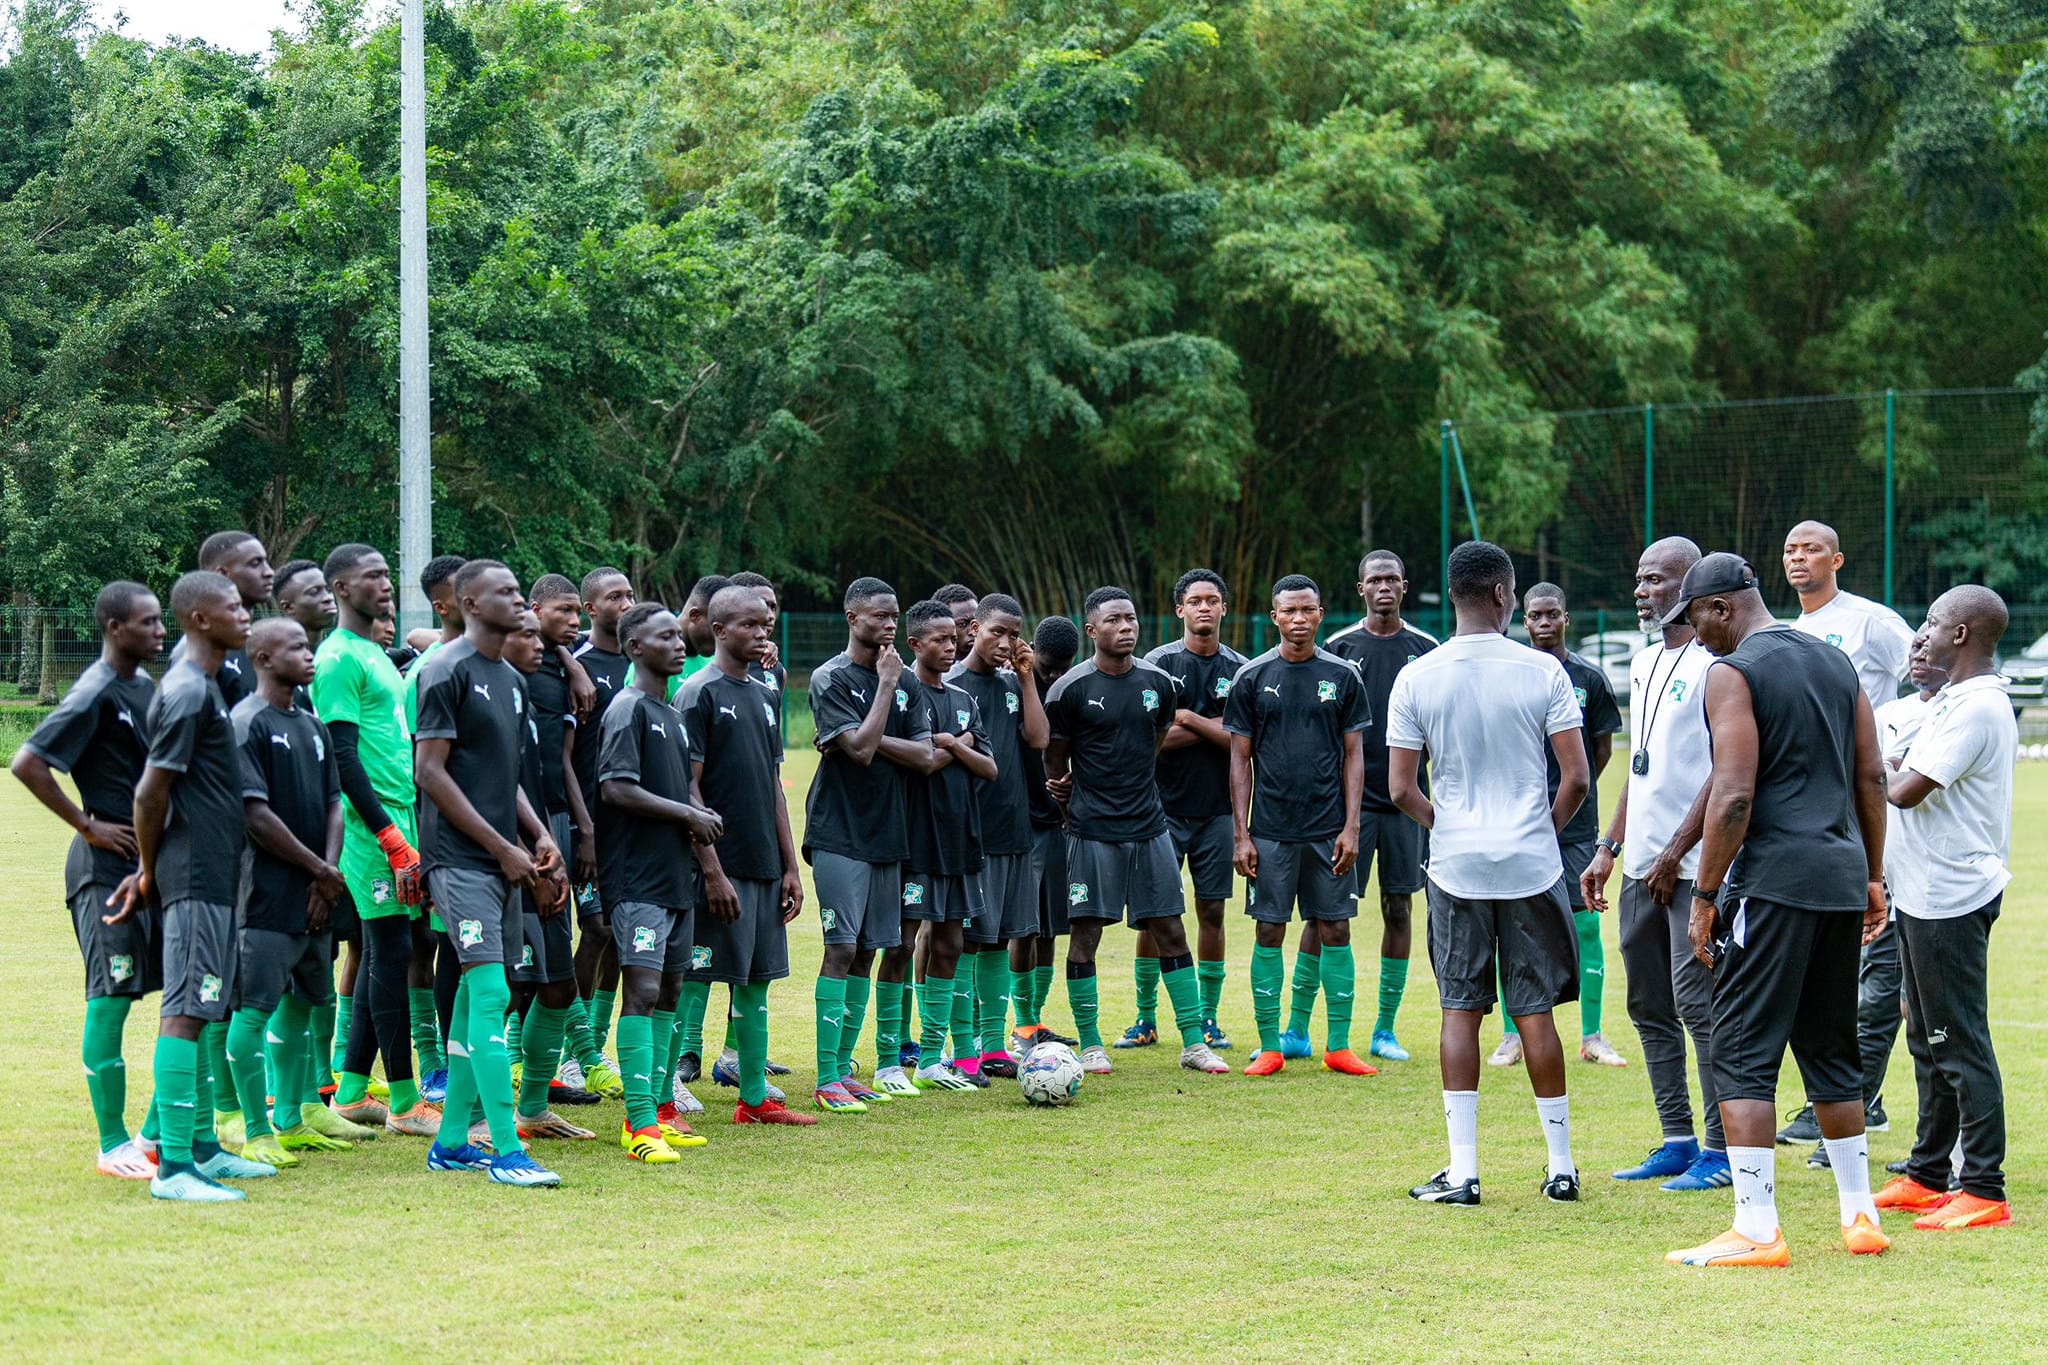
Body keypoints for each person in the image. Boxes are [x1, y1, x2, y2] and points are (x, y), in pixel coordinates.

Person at [1659, 552, 1890, 1267]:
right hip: (1841, 874)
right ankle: (1861, 1216)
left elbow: (1733, 793)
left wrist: (1702, 894)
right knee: (1830, 1044)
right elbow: (1872, 774)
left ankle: (1757, 1226)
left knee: (1740, 1047)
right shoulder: (1834, 663)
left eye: (1695, 619)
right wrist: (1874, 877)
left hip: (1774, 881)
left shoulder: (1733, 672)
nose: (1694, 637)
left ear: (1722, 607)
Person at [1386, 541, 1587, 1207]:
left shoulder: (1418, 675)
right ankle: (1561, 1168)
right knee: (1535, 1013)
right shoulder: (1543, 672)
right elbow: (1579, 778)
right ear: (1504, 594)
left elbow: (1401, 787)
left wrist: (1451, 827)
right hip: (1531, 864)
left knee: (1459, 1009)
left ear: (1452, 594)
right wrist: (1537, 833)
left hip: (1456, 864)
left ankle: (1464, 1171)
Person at [109, 570, 274, 1200]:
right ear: (200, 619)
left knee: (204, 1010)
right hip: (193, 874)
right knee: (184, 1010)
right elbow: (151, 793)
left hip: (215, 872)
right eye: (233, 606)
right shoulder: (184, 691)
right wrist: (150, 870)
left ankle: (202, 1146)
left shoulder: (205, 687)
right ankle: (173, 1167)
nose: (246, 614)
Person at [412, 559, 570, 1188]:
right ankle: (506, 1150)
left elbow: (505, 777)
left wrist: (535, 836)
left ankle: (452, 1144)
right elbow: (430, 773)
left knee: (480, 999)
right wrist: (501, 849)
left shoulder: (509, 677)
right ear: (469, 603)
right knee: (494, 994)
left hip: (503, 859)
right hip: (459, 860)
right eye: (504, 591)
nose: (516, 598)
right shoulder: (444, 670)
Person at [1581, 538, 1730, 1192]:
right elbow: (1640, 770)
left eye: (1653, 579)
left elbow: (1728, 771)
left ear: (1687, 585)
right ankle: (1677, 1137)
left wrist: (1676, 852)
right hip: (1641, 865)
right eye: (1637, 578)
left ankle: (1724, 1150)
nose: (1640, 590)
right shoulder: (1643, 661)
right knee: (1647, 1004)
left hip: (1693, 867)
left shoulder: (1716, 663)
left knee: (1700, 1004)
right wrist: (1610, 847)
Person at [1871, 586, 2016, 1231]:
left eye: (1933, 622)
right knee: (1924, 1037)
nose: (1921, 634)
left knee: (1958, 1039)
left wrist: (1866, 766)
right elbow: (1899, 768)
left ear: (1962, 635)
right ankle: (1929, 1174)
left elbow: (1903, 788)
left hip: (1951, 895)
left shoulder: (1978, 706)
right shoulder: (1948, 701)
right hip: (1919, 889)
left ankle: (1983, 1186)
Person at [11, 581, 165, 1179]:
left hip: (149, 868)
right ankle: (112, 1144)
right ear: (113, 628)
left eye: (161, 621)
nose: (159, 632)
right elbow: (28, 762)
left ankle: (155, 1136)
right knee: (112, 996)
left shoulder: (145, 688)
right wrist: (87, 825)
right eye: (148, 623)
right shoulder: (96, 690)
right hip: (103, 872)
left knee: (172, 998)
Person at [1044, 587, 1228, 1076]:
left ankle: (1193, 1042)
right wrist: (1070, 796)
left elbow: (1156, 740)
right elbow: (1055, 760)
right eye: (1113, 620)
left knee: (1170, 928)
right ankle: (1091, 1043)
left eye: (1130, 618)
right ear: (1091, 631)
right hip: (1091, 831)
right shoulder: (1069, 691)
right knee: (1085, 936)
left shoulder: (1160, 684)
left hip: (1150, 828)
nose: (1125, 627)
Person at [1777, 521, 1915, 1150]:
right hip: (1817, 813)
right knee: (1839, 959)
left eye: (1809, 549)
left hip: (1873, 805)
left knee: (1874, 955)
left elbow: (1925, 675)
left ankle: (1854, 1094)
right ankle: (1862, 1095)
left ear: (1837, 557)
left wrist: (1900, 749)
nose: (1798, 559)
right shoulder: (1787, 634)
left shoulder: (1871, 623)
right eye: (1789, 551)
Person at [1225, 575, 1375, 1077]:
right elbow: (1238, 761)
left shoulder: (1343, 675)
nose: (1298, 619)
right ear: (1274, 617)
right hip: (1269, 832)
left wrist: (1351, 826)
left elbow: (1355, 756)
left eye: (1306, 610)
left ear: (1320, 613)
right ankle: (1270, 1046)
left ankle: (1338, 1045)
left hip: (1328, 829)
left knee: (1335, 928)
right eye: (1288, 611)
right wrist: (1241, 834)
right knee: (1269, 930)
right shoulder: (1251, 677)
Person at [314, 544, 438, 1138]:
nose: (385, 586)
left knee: (388, 949)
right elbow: (340, 757)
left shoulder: (376, 655)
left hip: (403, 819)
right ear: (340, 588)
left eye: (387, 576)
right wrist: (388, 834)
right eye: (372, 578)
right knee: (389, 951)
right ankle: (407, 1102)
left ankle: (354, 1089)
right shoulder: (337, 658)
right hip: (372, 832)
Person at [678, 586, 814, 1126]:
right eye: (751, 626)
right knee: (692, 977)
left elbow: (773, 786)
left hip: (761, 865)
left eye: (766, 624)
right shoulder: (698, 693)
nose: (763, 634)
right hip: (718, 868)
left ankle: (753, 1099)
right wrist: (711, 871)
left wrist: (788, 866)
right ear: (719, 630)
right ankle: (665, 1096)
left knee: (756, 982)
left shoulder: (765, 692)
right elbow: (688, 792)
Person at [598, 602, 726, 1158]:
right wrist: (687, 816)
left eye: (679, 635)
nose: (678, 644)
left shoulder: (670, 713)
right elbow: (615, 788)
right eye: (665, 636)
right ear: (634, 648)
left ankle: (663, 1109)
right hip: (638, 879)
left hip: (676, 878)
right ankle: (638, 1122)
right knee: (643, 990)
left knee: (672, 988)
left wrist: (699, 838)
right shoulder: (627, 709)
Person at [223, 618, 347, 1169]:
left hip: (317, 894)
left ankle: (292, 1122)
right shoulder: (245, 722)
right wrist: (320, 869)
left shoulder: (313, 724)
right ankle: (253, 1130)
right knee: (253, 1013)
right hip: (266, 897)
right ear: (263, 658)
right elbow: (255, 815)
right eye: (296, 646)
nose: (309, 652)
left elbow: (334, 803)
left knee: (303, 1003)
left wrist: (328, 874)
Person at [804, 579, 934, 1100]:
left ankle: (842, 1069)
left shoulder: (909, 682)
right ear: (852, 618)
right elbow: (856, 753)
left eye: (895, 615)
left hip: (889, 832)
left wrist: (869, 734)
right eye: (879, 616)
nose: (889, 625)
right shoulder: (830, 677)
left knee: (868, 952)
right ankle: (823, 1078)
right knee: (839, 947)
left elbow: (924, 758)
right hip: (839, 832)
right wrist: (882, 689)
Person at [1492, 584, 1626, 1068]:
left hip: (1573, 829)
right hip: (1518, 822)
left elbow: (1602, 750)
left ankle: (1591, 1036)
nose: (1544, 623)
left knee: (1585, 927)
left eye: (1552, 615)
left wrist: (1572, 793)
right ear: (1523, 621)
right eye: (1535, 616)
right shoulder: (1512, 673)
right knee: (1515, 929)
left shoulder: (1588, 679)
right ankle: (1511, 1035)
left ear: (1566, 618)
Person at [1325, 550, 1437, 1062]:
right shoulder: (1338, 647)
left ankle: (1384, 1029)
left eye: (1393, 578)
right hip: (1348, 805)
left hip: (1407, 804)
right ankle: (1309, 1027)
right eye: (1375, 580)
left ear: (1405, 586)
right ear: (1361, 589)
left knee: (1399, 905)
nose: (1384, 587)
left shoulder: (1428, 649)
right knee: (1328, 911)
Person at [1134, 569, 1245, 1054]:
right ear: (1179, 609)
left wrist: (1190, 718)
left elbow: (1243, 742)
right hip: (1160, 812)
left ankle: (1209, 1018)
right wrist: (1215, 728)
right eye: (1195, 600)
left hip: (1218, 811)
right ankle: (1144, 1017)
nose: (1204, 608)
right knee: (1154, 917)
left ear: (1224, 608)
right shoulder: (1156, 666)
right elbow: (1149, 742)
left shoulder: (1241, 669)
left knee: (1213, 911)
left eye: (1212, 600)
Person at [501, 610, 599, 1141]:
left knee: (558, 985)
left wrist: (553, 845)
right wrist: (524, 856)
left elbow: (539, 775)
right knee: (505, 991)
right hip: (500, 861)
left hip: (544, 844)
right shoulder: (475, 684)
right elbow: (483, 785)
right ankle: (469, 1115)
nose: (541, 645)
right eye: (529, 637)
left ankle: (533, 1109)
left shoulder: (540, 684)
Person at [894, 599, 997, 1095]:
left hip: (962, 837)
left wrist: (954, 744)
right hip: (916, 838)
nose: (949, 645)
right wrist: (959, 748)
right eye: (938, 638)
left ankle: (934, 1058)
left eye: (952, 638)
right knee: (902, 941)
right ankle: (892, 1056)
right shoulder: (902, 693)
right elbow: (917, 761)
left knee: (952, 941)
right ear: (914, 644)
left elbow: (990, 768)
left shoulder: (963, 698)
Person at [948, 594, 1050, 1080]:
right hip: (970, 832)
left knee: (998, 941)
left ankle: (993, 1046)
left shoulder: (1014, 684)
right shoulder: (951, 684)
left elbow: (1037, 738)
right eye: (997, 633)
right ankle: (961, 1048)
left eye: (1014, 634)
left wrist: (1028, 678)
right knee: (966, 941)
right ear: (973, 630)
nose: (1006, 643)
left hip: (1015, 828)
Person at [527, 575, 620, 1100]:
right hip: (537, 826)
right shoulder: (530, 664)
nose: (573, 622)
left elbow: (559, 755)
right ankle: (565, 1057)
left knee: (590, 934)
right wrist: (572, 660)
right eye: (563, 611)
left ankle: (581, 1055)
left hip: (573, 822)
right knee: (544, 946)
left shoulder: (566, 667)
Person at [271, 560, 354, 1085]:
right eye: (314, 591)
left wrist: (326, 861)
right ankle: (270, 1098)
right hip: (278, 860)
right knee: (266, 984)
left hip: (325, 855)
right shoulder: (263, 688)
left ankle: (315, 1083)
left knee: (319, 962)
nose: (327, 598)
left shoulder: (307, 689)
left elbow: (331, 788)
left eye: (329, 589)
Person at [570, 567, 637, 1099]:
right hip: (585, 826)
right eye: (615, 596)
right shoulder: (577, 666)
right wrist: (584, 827)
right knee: (593, 930)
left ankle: (595, 1045)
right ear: (590, 609)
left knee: (617, 934)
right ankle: (575, 1050)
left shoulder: (643, 665)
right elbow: (566, 756)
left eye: (630, 594)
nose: (626, 602)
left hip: (633, 831)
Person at [1010, 615, 1080, 1055]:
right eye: (1049, 666)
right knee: (1021, 926)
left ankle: (1035, 1020)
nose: (1055, 675)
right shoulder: (1011, 685)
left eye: (1063, 668)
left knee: (1052, 927)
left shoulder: (1072, 689)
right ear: (1033, 650)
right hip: (1019, 825)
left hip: (1058, 823)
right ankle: (1019, 1025)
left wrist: (1074, 781)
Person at [170, 530, 272, 708]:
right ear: (223, 574)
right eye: (256, 563)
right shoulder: (194, 653)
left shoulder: (264, 638)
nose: (269, 572)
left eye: (266, 562)